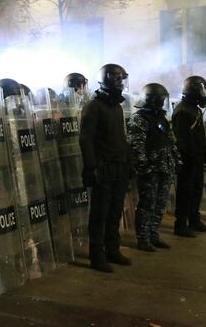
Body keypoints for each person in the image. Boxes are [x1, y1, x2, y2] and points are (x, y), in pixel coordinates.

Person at [79, 63, 131, 272]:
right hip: (103, 168)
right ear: (107, 78)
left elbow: (121, 139)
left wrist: (129, 162)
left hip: (119, 167)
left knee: (115, 211)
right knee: (100, 214)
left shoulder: (116, 107)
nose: (121, 83)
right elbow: (85, 139)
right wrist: (91, 167)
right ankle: (96, 254)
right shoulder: (94, 106)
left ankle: (112, 249)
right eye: (118, 79)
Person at [128, 83, 179, 251]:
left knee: (160, 204)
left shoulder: (162, 118)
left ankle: (153, 234)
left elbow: (171, 142)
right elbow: (137, 146)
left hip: (164, 168)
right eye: (161, 100)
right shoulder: (140, 118)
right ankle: (143, 238)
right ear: (153, 100)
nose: (163, 103)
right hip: (150, 170)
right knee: (147, 204)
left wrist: (177, 159)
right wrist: (144, 166)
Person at [172, 75, 206, 237]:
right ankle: (181, 224)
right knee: (185, 192)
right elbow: (182, 140)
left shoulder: (194, 109)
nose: (205, 93)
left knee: (196, 190)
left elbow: (199, 136)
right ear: (195, 89)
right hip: (187, 160)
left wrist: (205, 155)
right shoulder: (182, 110)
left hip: (196, 158)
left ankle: (194, 220)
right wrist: (190, 158)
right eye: (202, 89)